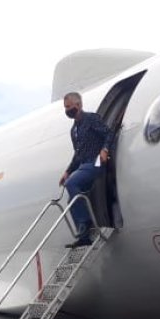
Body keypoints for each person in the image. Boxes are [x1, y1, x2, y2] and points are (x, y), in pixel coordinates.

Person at [58, 91, 114, 247]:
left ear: (79, 104)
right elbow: (77, 155)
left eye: (69, 106)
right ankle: (84, 238)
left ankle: (85, 221)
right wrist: (67, 171)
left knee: (71, 184)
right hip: (84, 165)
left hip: (95, 162)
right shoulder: (73, 130)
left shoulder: (91, 119)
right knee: (72, 200)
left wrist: (105, 149)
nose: (67, 110)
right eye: (66, 107)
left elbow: (108, 134)